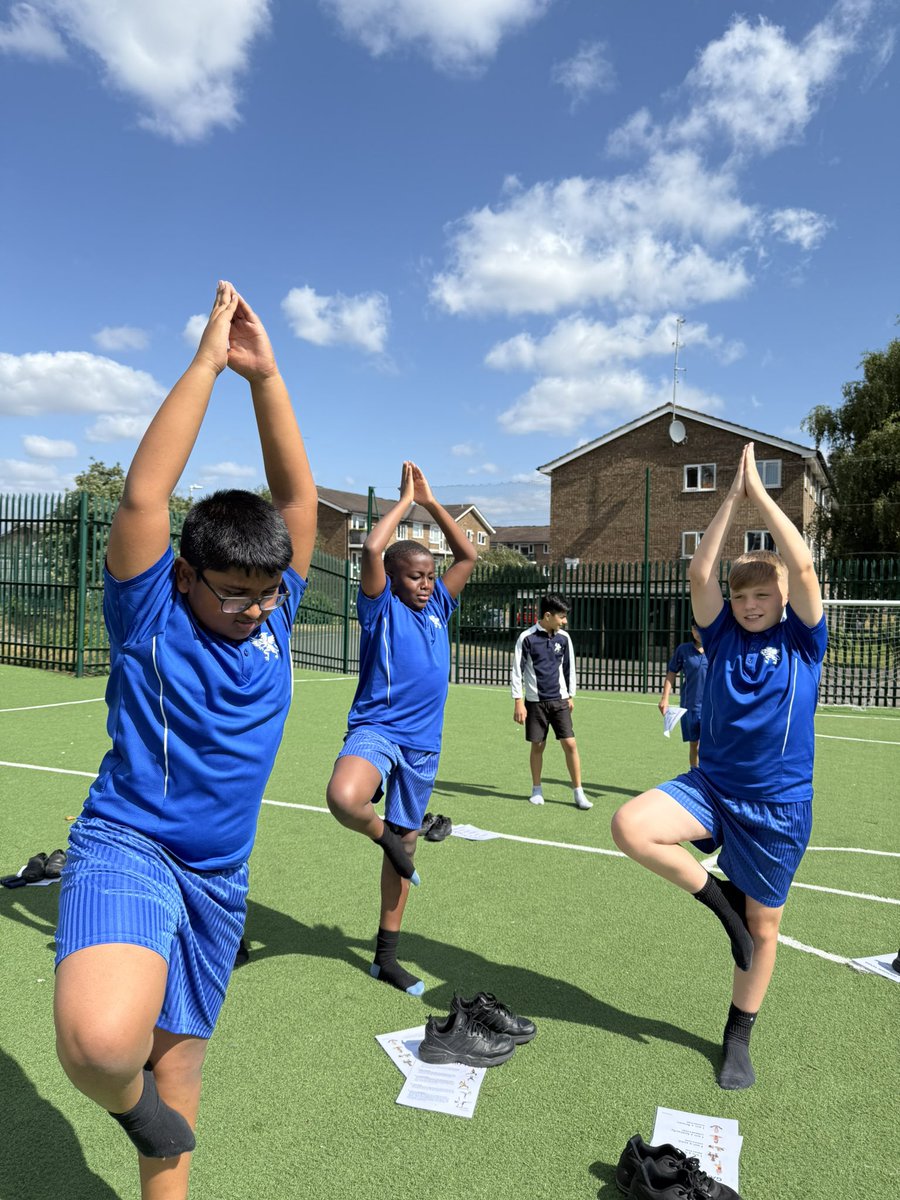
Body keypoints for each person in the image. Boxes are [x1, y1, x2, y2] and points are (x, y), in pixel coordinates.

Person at [53, 282, 317, 1199]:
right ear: (184, 574)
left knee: (179, 1065)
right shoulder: (150, 613)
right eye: (233, 591)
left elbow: (296, 495)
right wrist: (208, 363)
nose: (254, 608)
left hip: (220, 876)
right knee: (101, 1046)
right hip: (129, 845)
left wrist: (267, 377)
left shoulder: (277, 613)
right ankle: (136, 1112)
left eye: (266, 592)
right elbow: (145, 493)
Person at [611, 443, 826, 1091]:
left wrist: (763, 496)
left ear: (783, 598)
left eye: (763, 594)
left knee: (765, 929)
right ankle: (720, 901)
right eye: (741, 596)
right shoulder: (723, 633)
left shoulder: (803, 640)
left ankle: (737, 1035)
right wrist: (731, 497)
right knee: (630, 825)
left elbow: (803, 566)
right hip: (713, 786)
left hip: (778, 806)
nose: (750, 604)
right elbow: (700, 573)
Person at [325, 462, 477, 996]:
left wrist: (432, 504)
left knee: (407, 847)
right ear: (393, 578)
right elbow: (372, 548)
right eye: (415, 576)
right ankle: (385, 838)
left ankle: (385, 958)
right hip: (378, 728)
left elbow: (468, 556)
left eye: (430, 575)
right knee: (346, 798)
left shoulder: (439, 605)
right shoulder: (380, 608)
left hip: (423, 744)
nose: (426, 584)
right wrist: (405, 503)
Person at [511, 594, 591, 810]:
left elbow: (569, 667)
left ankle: (579, 792)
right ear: (548, 615)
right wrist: (518, 701)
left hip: (560, 700)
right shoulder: (526, 638)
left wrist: (570, 695)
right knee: (538, 745)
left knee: (570, 743)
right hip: (535, 702)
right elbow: (517, 671)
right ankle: (536, 790)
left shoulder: (564, 638)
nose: (565, 621)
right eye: (562, 617)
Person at [658, 624, 708, 769]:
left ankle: (709, 775)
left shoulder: (715, 648)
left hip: (711, 707)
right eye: (696, 628)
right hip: (690, 706)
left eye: (702, 629)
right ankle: (694, 773)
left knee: (708, 744)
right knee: (694, 744)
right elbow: (672, 672)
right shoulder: (683, 650)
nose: (699, 632)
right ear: (692, 630)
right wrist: (665, 698)